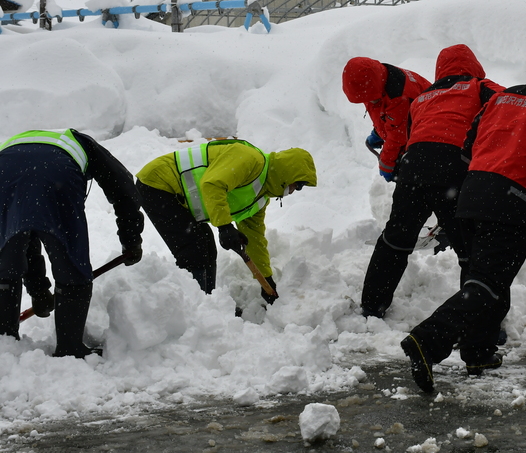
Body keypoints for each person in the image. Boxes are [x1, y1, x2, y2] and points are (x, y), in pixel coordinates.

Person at [400, 48, 526, 393]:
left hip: (470, 194)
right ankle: (428, 340)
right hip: (512, 200)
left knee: (484, 279)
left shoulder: (502, 97)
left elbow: (467, 145)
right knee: (490, 284)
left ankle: (479, 352)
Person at [360, 44, 503, 318]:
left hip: (413, 167)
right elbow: (506, 107)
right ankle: (477, 322)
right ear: (473, 65)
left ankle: (371, 306)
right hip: (452, 167)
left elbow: (410, 134)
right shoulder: (480, 86)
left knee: (395, 239)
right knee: (469, 250)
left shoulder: (424, 97)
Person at [0, 129, 144, 357]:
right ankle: (70, 348)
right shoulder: (86, 145)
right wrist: (131, 239)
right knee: (70, 260)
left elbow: (26, 235)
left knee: (6, 257)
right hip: (56, 173)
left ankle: (4, 343)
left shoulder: (20, 143)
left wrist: (39, 292)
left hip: (3, 174)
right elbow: (124, 190)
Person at [135, 139, 316, 301]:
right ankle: (195, 308)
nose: (294, 191)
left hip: (177, 196)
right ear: (287, 174)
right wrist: (225, 227)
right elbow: (212, 184)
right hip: (158, 184)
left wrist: (266, 279)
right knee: (194, 249)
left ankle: (208, 304)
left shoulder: (260, 198)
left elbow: (255, 239)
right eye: (298, 185)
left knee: (205, 244)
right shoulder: (250, 159)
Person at [341, 57, 431, 182]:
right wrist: (379, 131)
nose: (367, 101)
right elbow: (381, 109)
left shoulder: (398, 95)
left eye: (368, 98)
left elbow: (398, 137)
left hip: (426, 140)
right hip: (408, 128)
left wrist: (386, 165)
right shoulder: (376, 79)